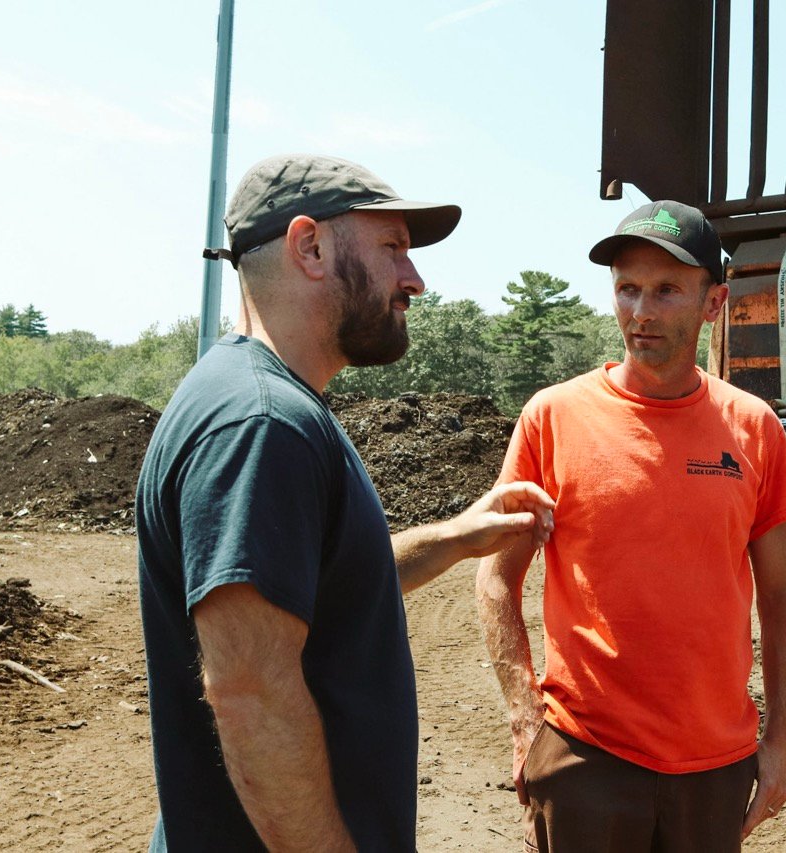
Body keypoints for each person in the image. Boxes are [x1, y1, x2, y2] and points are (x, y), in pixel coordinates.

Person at [136, 154, 554, 852]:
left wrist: (454, 536)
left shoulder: (256, 398)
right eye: (392, 249)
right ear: (310, 247)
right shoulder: (262, 424)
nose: (414, 279)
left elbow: (313, 586)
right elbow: (250, 690)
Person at [476, 200, 786, 851]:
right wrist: (524, 718)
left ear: (713, 303)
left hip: (713, 770)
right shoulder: (552, 419)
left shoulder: (753, 429)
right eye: (627, 288)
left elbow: (783, 591)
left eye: (665, 290)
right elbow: (496, 580)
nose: (641, 311)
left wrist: (781, 739)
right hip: (586, 759)